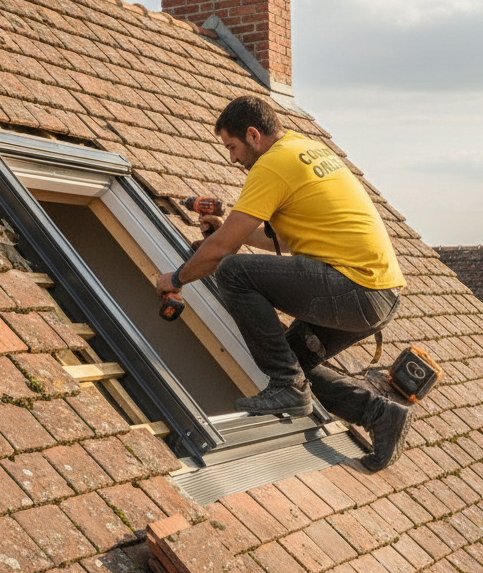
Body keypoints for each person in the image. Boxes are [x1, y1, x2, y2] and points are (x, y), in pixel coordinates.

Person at [155, 95, 410, 472]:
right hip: (379, 295)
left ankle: (287, 390)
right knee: (291, 362)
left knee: (232, 271)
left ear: (254, 135)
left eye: (232, 147)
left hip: (356, 288)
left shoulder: (272, 165)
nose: (232, 158)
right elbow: (288, 241)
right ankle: (380, 415)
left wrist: (174, 278)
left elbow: (223, 250)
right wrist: (226, 231)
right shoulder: (304, 149)